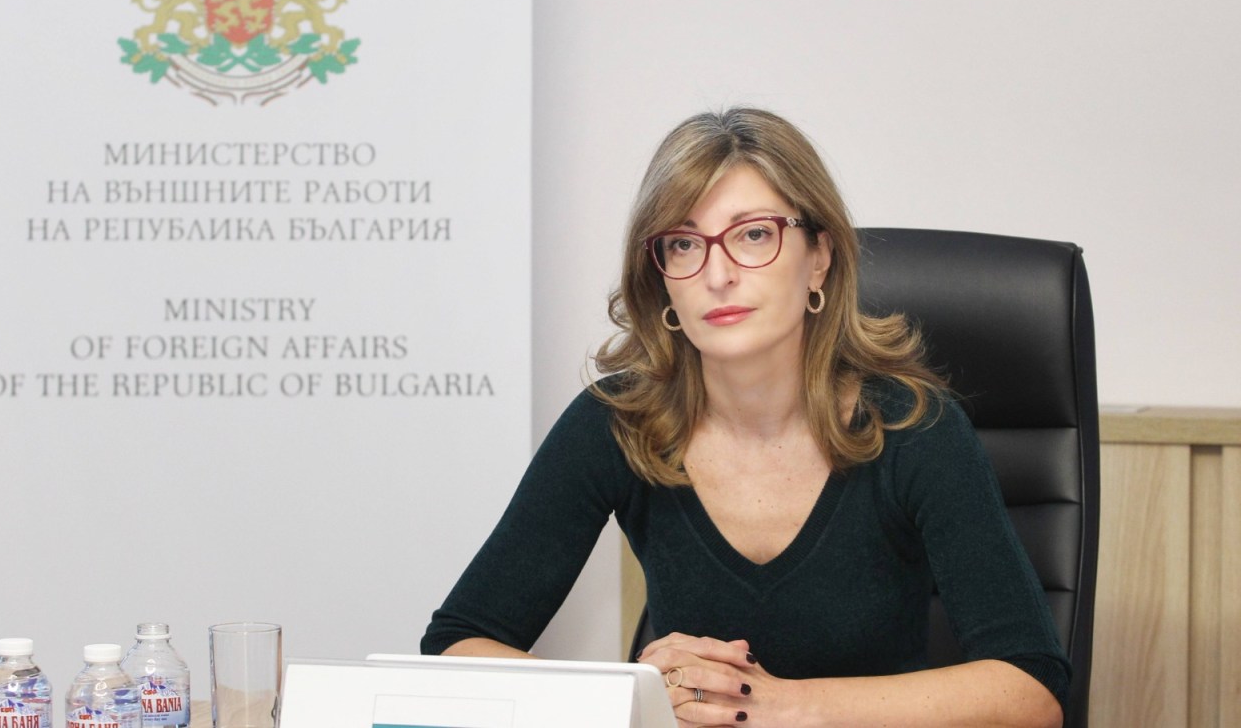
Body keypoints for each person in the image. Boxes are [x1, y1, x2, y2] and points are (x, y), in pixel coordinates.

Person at [421, 108, 1069, 728]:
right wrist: (631, 697)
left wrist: (778, 706)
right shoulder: (618, 422)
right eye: (683, 244)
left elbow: (1031, 689)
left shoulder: (913, 429)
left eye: (753, 234)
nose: (718, 274)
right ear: (663, 280)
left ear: (819, 257)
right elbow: (456, 643)